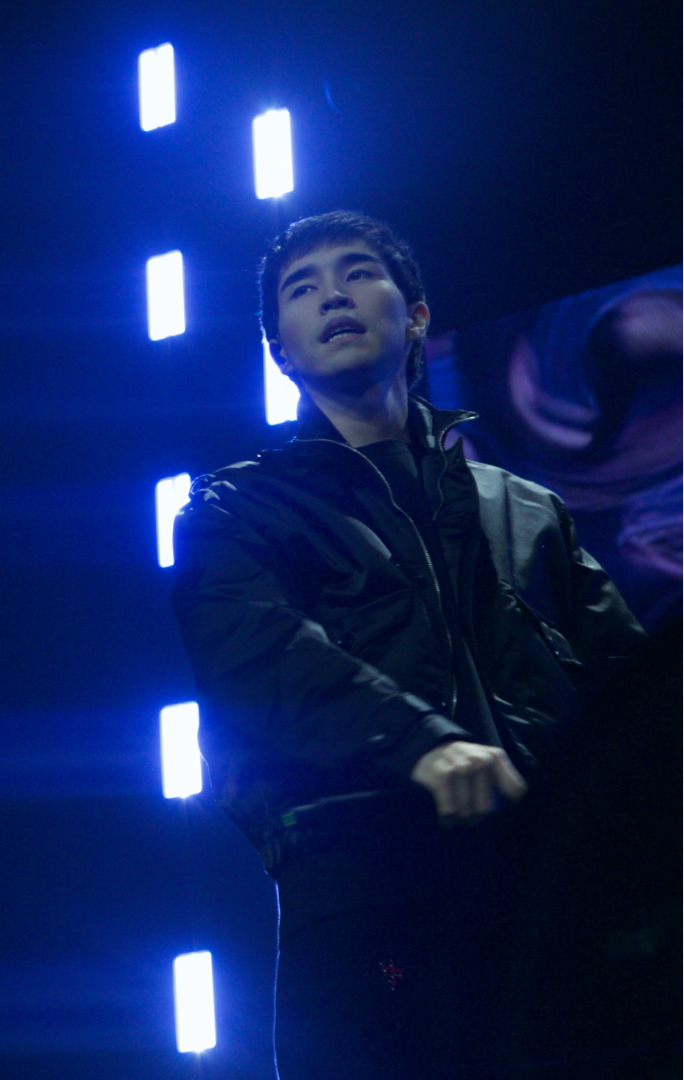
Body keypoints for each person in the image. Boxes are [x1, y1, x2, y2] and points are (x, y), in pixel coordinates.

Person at [170, 211, 645, 1078]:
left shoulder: (529, 510)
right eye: (302, 289)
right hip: (364, 896)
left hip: (546, 897)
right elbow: (261, 656)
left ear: (417, 316)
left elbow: (630, 693)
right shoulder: (236, 509)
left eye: (357, 273)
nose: (333, 296)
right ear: (280, 351)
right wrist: (422, 744)